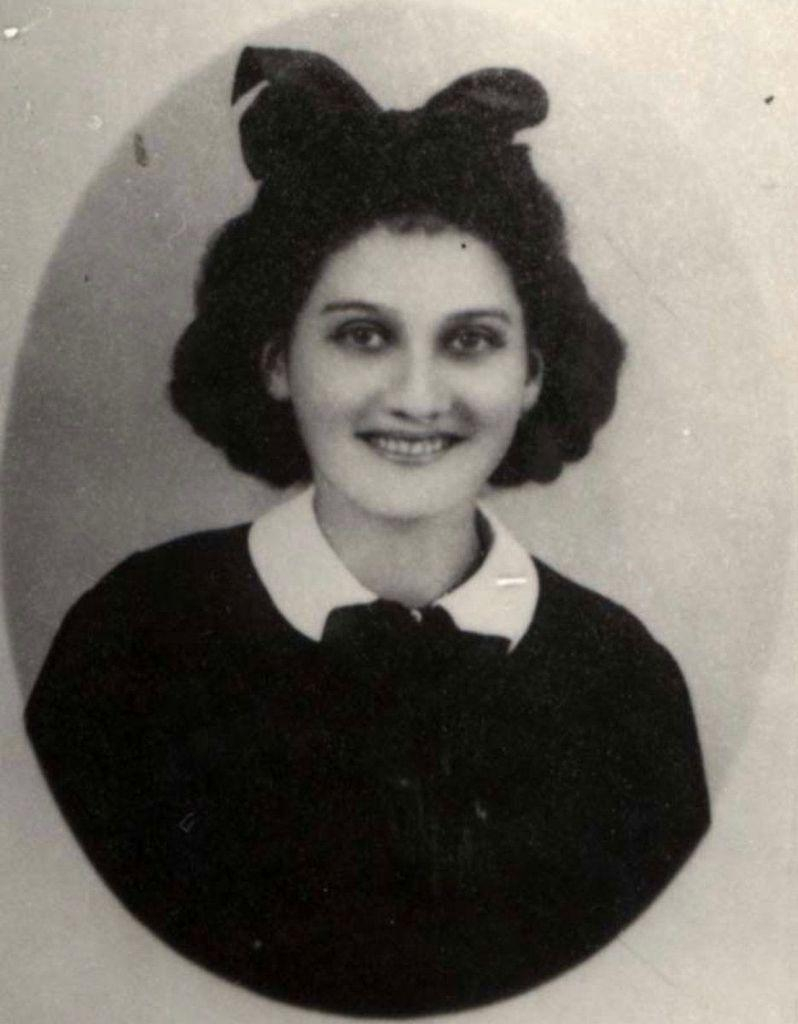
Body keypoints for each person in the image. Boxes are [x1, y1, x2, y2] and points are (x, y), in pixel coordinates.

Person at [25, 48, 710, 1017]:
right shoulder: (132, 644)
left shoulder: (626, 685)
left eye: (469, 339)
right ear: (274, 357)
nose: (417, 397)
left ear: (532, 373)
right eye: (362, 333)